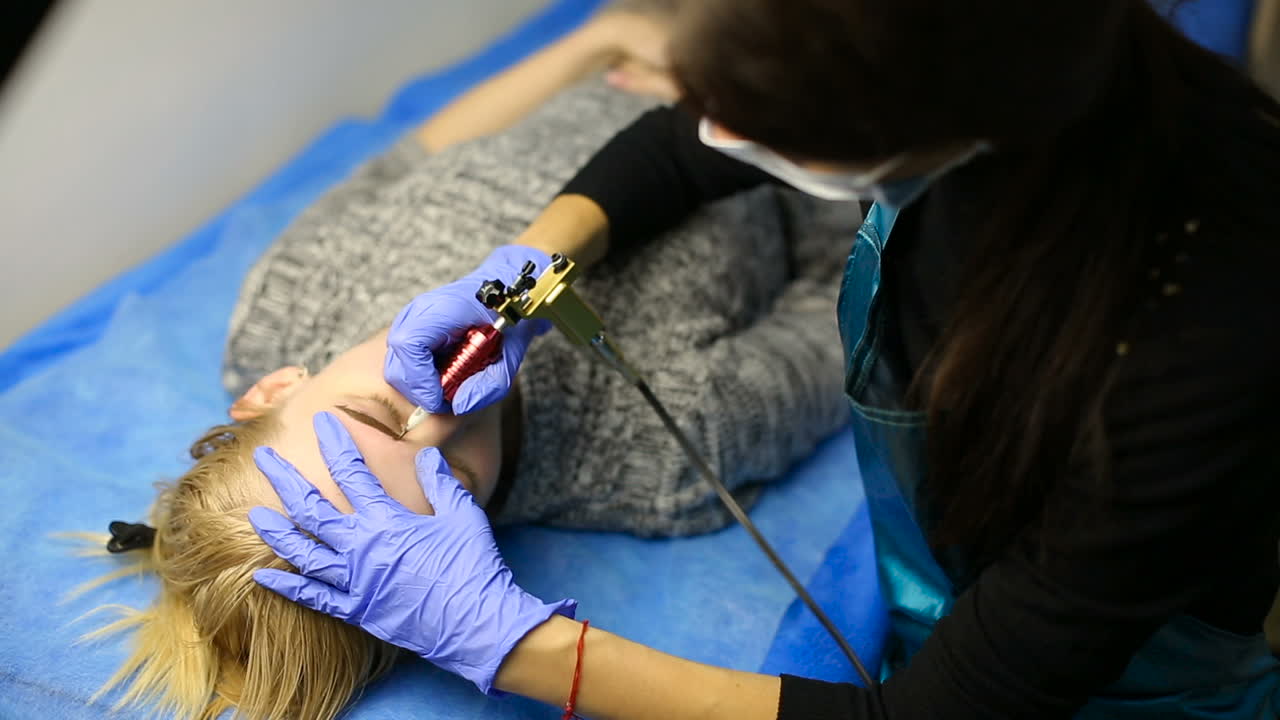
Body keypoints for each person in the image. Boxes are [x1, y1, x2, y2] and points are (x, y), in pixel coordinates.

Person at [247, 0, 1280, 718]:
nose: (431, 413)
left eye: (748, 108)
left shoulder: (1187, 350)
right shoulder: (970, 82)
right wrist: (516, 277)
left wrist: (518, 647)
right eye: (452, 489)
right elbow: (687, 141)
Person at [79, 5, 855, 720]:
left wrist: (604, 38)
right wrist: (766, 124)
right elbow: (851, 293)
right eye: (450, 480)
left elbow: (411, 158)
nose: (445, 413)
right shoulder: (673, 451)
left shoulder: (285, 306)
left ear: (275, 386)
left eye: (377, 414)